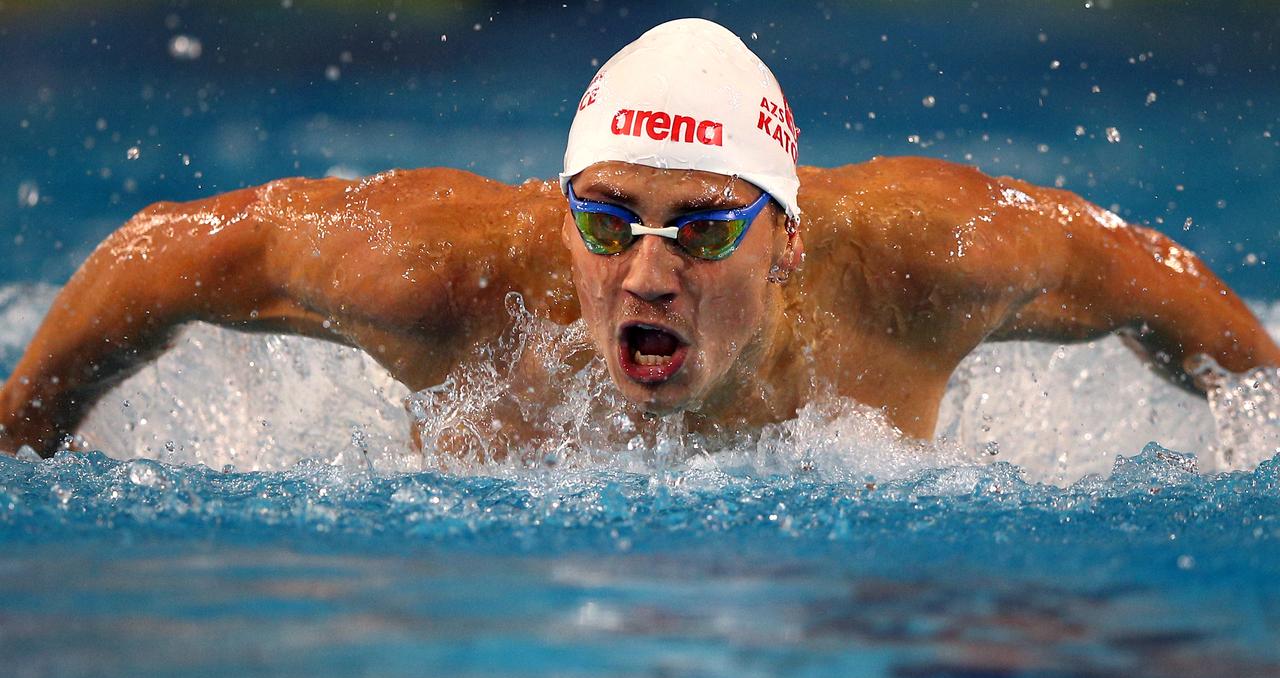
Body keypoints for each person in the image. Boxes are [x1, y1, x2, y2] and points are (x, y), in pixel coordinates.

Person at [1, 18, 1276, 460]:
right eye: (605, 221)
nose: (646, 271)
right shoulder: (436, 275)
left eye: (703, 229)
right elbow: (161, 254)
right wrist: (19, 437)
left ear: (786, 237)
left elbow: (1135, 272)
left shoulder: (919, 263)